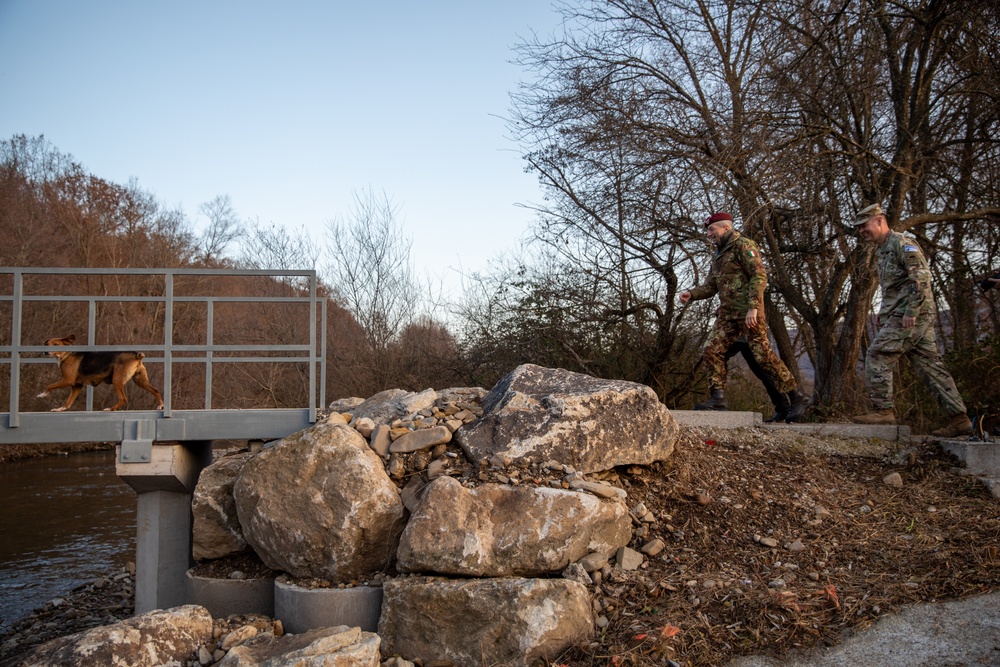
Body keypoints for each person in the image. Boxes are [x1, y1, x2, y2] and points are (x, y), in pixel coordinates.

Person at [850, 203, 972, 437]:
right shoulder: (883, 249)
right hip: (904, 314)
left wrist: (910, 312)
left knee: (878, 354)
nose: (862, 231)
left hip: (912, 315)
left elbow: (921, 277)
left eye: (864, 226)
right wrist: (885, 314)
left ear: (879, 220)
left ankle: (883, 411)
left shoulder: (901, 243)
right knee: (930, 366)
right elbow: (896, 286)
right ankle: (960, 419)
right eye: (859, 228)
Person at [680, 212, 807, 422]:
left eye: (712, 230)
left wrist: (754, 307)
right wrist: (692, 294)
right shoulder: (718, 254)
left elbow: (759, 275)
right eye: (708, 230)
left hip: (748, 313)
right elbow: (711, 285)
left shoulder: (744, 245)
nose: (709, 234)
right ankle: (718, 398)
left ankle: (797, 396)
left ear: (725, 228)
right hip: (728, 316)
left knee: (763, 357)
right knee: (711, 350)